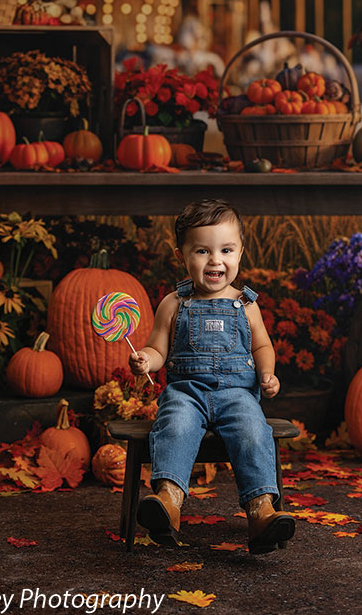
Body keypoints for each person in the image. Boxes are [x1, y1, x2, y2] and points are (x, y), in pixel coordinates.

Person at [129, 198, 295, 554]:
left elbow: (262, 347)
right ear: (181, 256)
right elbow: (158, 348)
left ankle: (261, 510)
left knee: (253, 432)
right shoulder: (173, 303)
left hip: (237, 395)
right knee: (173, 426)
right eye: (202, 251)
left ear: (240, 252)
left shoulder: (247, 306)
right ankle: (168, 504)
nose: (216, 260)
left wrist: (268, 374)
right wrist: (147, 359)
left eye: (226, 250)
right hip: (186, 393)